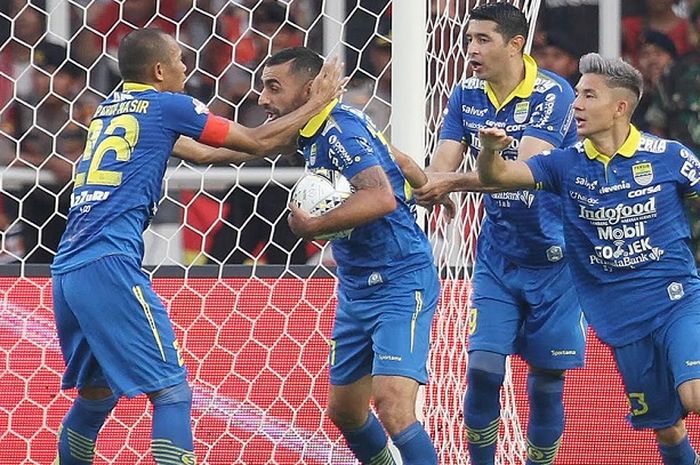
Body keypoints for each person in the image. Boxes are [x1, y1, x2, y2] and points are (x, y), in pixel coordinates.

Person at [50, 28, 342, 465]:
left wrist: (279, 134)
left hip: (68, 268)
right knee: (170, 392)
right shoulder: (169, 104)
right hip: (109, 264)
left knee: (96, 395)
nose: (187, 67)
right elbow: (257, 140)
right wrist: (320, 101)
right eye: (180, 59)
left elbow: (205, 154)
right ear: (158, 70)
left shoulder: (107, 111)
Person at [476, 52, 700, 465]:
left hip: (677, 301)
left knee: (694, 393)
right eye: (576, 93)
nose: (575, 104)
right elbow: (500, 179)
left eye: (588, 95)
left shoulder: (670, 157)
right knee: (668, 428)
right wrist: (491, 152)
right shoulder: (566, 164)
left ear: (620, 107)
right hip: (622, 319)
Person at [413, 4, 586, 465]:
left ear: (515, 45)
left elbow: (522, 172)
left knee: (547, 381)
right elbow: (440, 165)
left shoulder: (554, 93)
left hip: (558, 260)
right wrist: (428, 185)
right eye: (469, 39)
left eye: (483, 39)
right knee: (483, 368)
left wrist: (455, 179)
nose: (471, 49)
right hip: (498, 255)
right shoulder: (465, 93)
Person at [258, 46, 446, 465]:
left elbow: (380, 198)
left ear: (309, 90)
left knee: (393, 406)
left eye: (273, 87)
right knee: (345, 412)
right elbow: (392, 154)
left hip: (399, 277)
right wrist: (424, 181)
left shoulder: (337, 130)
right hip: (357, 284)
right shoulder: (321, 129)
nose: (263, 99)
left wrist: (310, 227)